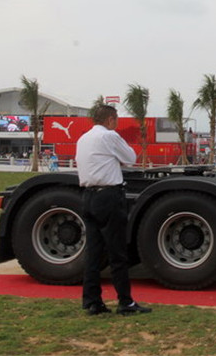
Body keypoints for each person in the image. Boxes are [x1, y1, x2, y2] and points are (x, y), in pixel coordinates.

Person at [76, 105, 151, 316]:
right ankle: (125, 301)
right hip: (109, 196)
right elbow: (131, 158)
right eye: (116, 119)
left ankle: (92, 301)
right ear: (110, 119)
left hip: (88, 196)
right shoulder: (109, 136)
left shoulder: (83, 139)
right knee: (117, 252)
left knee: (93, 253)